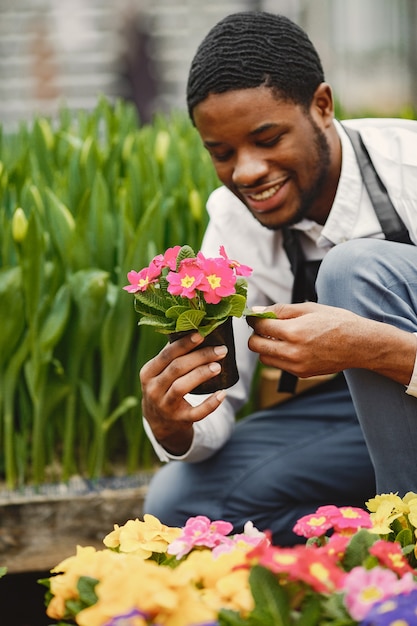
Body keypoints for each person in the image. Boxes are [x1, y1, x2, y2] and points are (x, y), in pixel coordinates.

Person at [141, 11, 417, 545]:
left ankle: (404, 552)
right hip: (364, 419)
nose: (246, 172)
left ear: (322, 106)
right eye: (222, 153)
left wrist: (375, 349)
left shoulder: (410, 168)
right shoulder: (233, 219)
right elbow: (223, 392)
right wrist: (175, 421)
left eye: (267, 138)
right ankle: (353, 548)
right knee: (182, 501)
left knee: (353, 269)